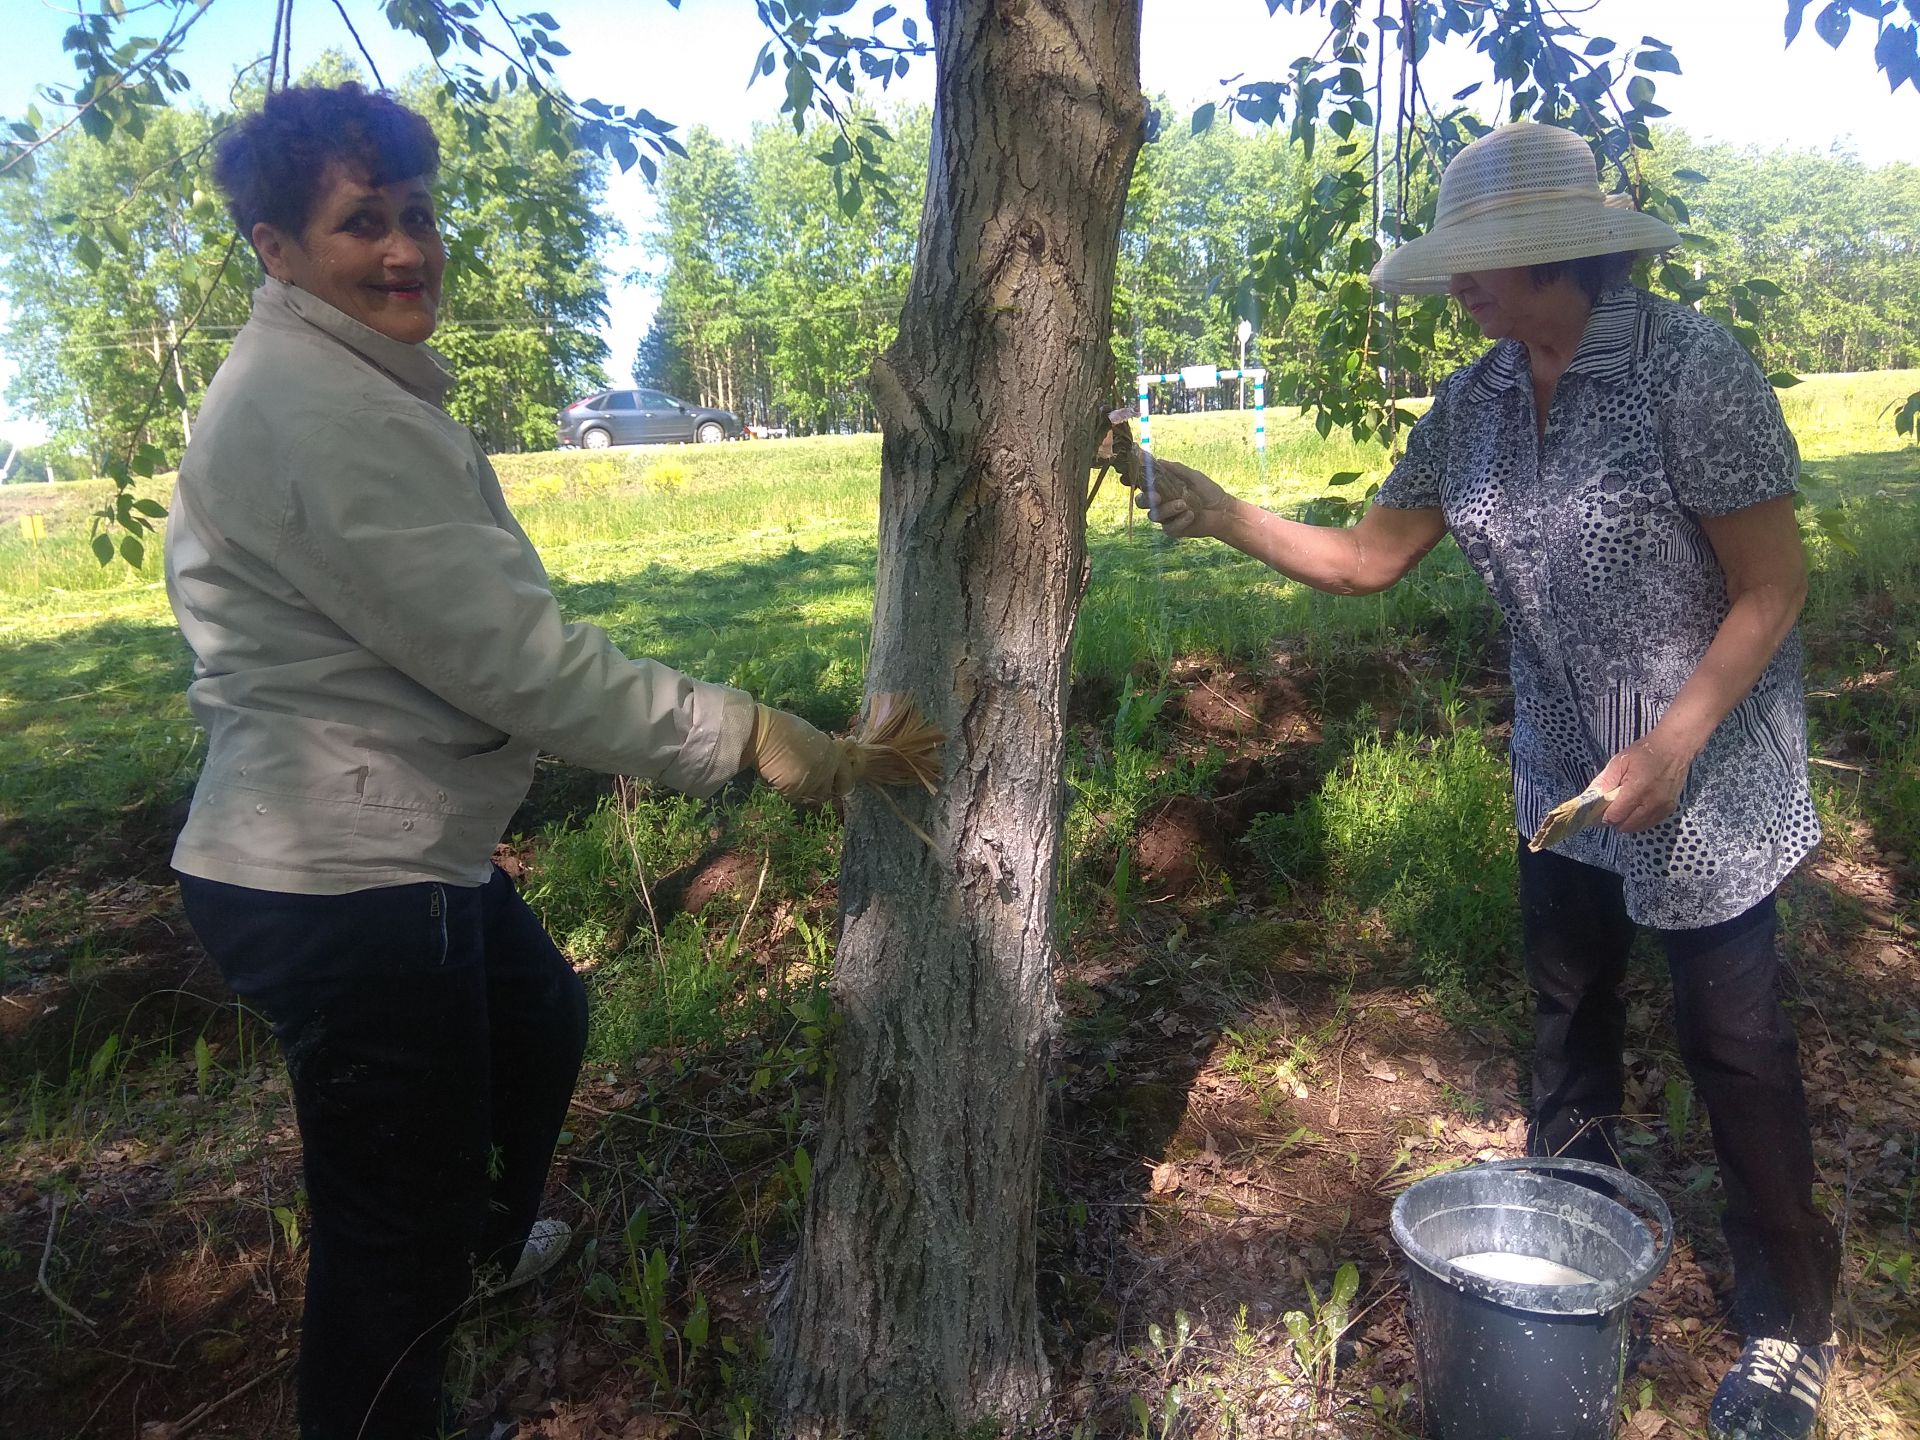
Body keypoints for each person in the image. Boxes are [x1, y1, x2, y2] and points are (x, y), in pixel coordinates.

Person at [163, 83, 848, 1440]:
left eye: (418, 215)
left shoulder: (336, 378)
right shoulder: (322, 409)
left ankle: (478, 1245)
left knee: (540, 1018)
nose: (407, 249)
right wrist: (746, 733)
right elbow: (510, 657)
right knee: (385, 1234)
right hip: (345, 883)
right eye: (364, 223)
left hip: (376, 846)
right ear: (275, 247)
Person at [1133, 122, 1837, 1440]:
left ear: (1556, 254)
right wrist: (1220, 509)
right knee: (1570, 1028)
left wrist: (1675, 742)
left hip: (1708, 771)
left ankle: (1791, 1319)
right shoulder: (1475, 405)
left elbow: (1773, 585)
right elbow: (1366, 560)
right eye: (1454, 264)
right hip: (1566, 774)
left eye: (1484, 262)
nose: (1460, 287)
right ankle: (1575, 1276)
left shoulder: (1691, 368)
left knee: (1734, 1050)